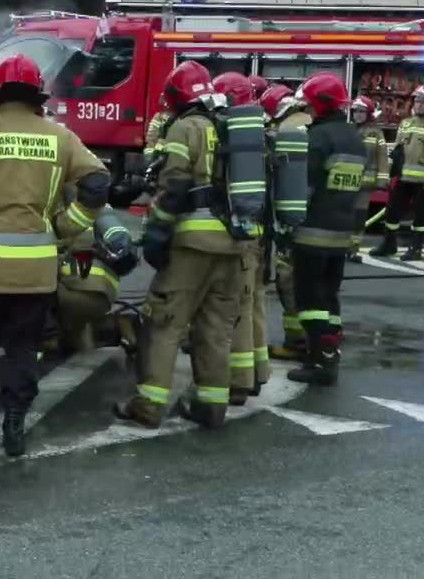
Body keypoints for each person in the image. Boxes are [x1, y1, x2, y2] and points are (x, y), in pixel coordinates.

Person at [0, 53, 109, 457]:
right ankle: (14, 427)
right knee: (22, 346)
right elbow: (97, 183)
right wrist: (65, 226)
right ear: (38, 95)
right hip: (36, 269)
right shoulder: (60, 137)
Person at [113, 61, 241, 430]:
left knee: (164, 323)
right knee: (215, 329)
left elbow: (174, 186)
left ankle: (148, 406)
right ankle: (211, 407)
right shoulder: (230, 125)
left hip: (193, 243)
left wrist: (157, 233)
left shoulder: (186, 128)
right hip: (234, 242)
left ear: (175, 97)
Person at [288, 72, 366, 386]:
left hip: (311, 231)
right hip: (341, 231)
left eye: (307, 105)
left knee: (309, 298)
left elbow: (303, 189)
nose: (305, 111)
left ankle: (320, 361)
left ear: (320, 105)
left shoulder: (317, 138)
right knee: (330, 297)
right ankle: (326, 352)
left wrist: (286, 223)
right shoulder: (355, 139)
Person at [212, 72, 269, 402]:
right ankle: (256, 374)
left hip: (236, 232)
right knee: (253, 305)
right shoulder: (263, 133)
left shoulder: (227, 134)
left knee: (231, 311)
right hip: (260, 232)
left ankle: (238, 382)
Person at [370, 84, 424, 261]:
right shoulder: (406, 123)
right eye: (417, 101)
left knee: (419, 215)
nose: (419, 105)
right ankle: (389, 244)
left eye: (423, 101)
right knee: (392, 212)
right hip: (403, 177)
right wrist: (392, 172)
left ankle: (416, 248)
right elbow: (398, 151)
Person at [262, 83, 311, 362]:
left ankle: (297, 341)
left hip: (292, 221)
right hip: (322, 219)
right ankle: (321, 339)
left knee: (287, 279)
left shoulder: (285, 131)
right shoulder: (312, 123)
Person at [53, 211, 137, 355]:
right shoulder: (104, 218)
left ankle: (113, 326)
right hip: (106, 296)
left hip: (78, 295)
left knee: (38, 291)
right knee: (79, 326)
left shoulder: (63, 222)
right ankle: (117, 326)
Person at [349, 95, 389, 262]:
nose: (357, 115)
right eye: (355, 111)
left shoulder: (376, 133)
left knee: (358, 218)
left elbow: (382, 158)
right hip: (346, 182)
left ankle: (353, 250)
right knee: (344, 216)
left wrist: (382, 181)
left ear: (369, 114)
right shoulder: (348, 130)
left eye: (361, 112)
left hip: (365, 184)